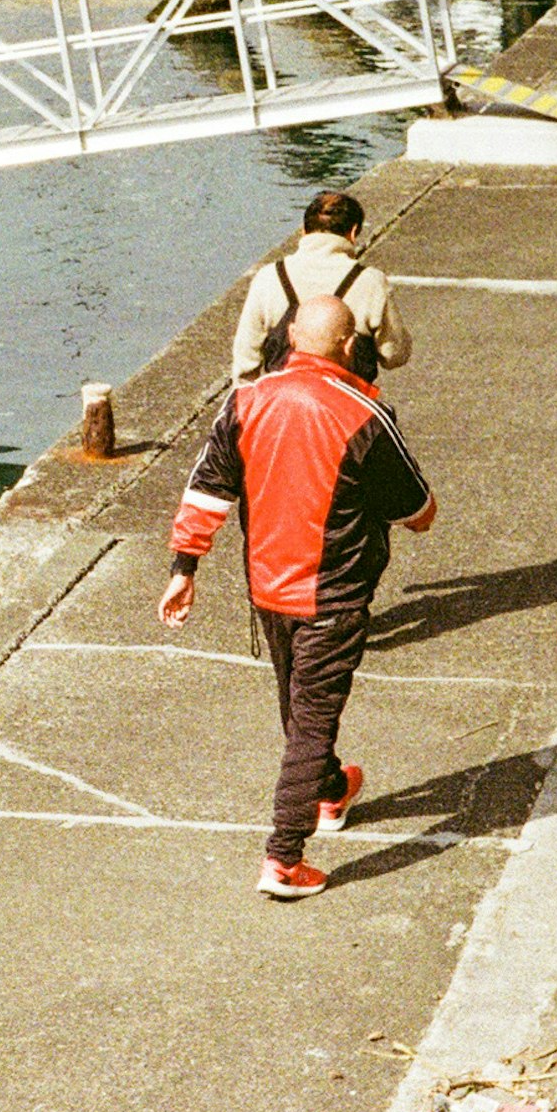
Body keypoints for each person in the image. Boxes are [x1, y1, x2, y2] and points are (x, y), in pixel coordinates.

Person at [160, 292, 438, 900]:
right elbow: (419, 512)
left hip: (267, 589)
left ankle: (332, 790)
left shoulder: (246, 400)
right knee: (311, 721)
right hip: (334, 596)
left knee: (300, 707)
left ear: (289, 338)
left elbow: (207, 488)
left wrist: (185, 567)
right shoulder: (365, 415)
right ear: (346, 345)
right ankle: (284, 860)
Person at [227, 188, 412, 383]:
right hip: (349, 405)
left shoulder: (269, 277)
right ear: (353, 232)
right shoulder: (370, 281)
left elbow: (245, 360)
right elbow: (394, 355)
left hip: (285, 402)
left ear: (304, 231)